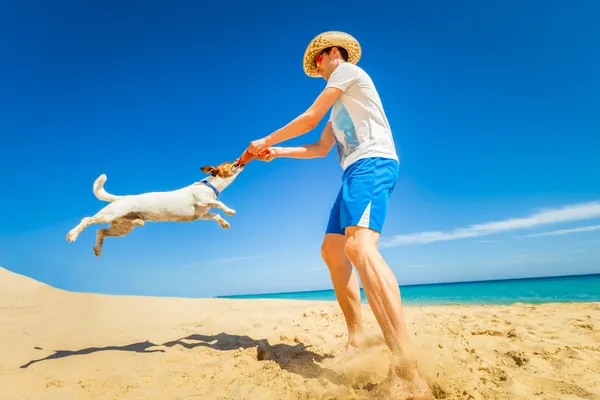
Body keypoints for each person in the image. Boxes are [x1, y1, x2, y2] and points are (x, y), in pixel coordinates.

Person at [246, 31, 433, 398]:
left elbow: (309, 117)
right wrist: (278, 152)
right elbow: (319, 147)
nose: (318, 71)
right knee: (333, 251)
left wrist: (265, 140)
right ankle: (357, 339)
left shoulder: (347, 72)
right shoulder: (339, 106)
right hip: (353, 172)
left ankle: (407, 366)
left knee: (360, 249)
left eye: (318, 63)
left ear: (333, 54)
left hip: (372, 164)